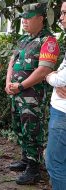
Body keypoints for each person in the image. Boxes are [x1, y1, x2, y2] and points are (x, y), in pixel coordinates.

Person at [5, 3, 60, 185]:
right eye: (23, 18)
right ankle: (26, 159)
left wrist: (20, 86)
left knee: (33, 130)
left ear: (41, 19)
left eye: (29, 17)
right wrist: (8, 84)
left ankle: (34, 169)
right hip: (17, 95)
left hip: (33, 98)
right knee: (20, 128)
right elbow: (12, 62)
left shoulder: (48, 42)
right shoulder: (24, 39)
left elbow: (44, 70)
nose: (25, 21)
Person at [45, 1, 66, 189]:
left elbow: (59, 80)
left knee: (54, 162)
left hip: (63, 113)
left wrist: (50, 75)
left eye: (65, 13)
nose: (61, 17)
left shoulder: (48, 41)